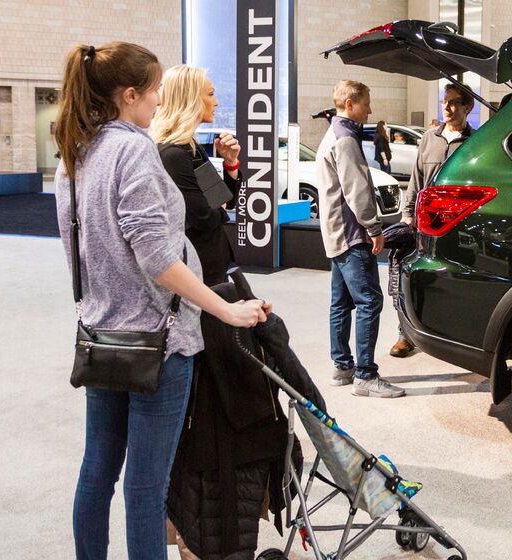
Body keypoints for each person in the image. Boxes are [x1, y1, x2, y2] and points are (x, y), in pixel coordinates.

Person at [53, 42, 268, 560]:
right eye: (152, 93)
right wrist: (225, 309)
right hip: (158, 340)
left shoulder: (75, 154)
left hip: (102, 335)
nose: (157, 104)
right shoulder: (134, 150)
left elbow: (77, 250)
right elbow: (157, 257)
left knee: (98, 469)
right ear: (130, 96)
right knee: (147, 488)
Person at [315, 79, 404, 398]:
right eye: (367, 103)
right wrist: (374, 228)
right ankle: (366, 375)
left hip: (336, 234)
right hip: (352, 235)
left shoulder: (332, 133)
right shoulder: (345, 139)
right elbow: (356, 190)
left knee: (341, 302)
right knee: (369, 300)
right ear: (350, 104)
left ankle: (343, 367)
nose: (371, 109)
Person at [391, 83, 475, 357]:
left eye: (453, 103)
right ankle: (405, 335)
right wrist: (407, 214)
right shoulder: (429, 138)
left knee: (454, 282)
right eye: (444, 101)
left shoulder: (475, 141)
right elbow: (416, 179)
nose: (447, 108)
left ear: (467, 107)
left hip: (458, 226)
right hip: (424, 225)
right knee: (412, 279)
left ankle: (451, 338)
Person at [151, 65, 240, 285]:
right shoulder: (172, 154)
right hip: (197, 272)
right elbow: (203, 218)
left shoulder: (190, 146)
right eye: (210, 94)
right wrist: (219, 210)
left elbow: (223, 200)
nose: (216, 102)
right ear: (189, 99)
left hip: (212, 263)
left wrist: (231, 164)